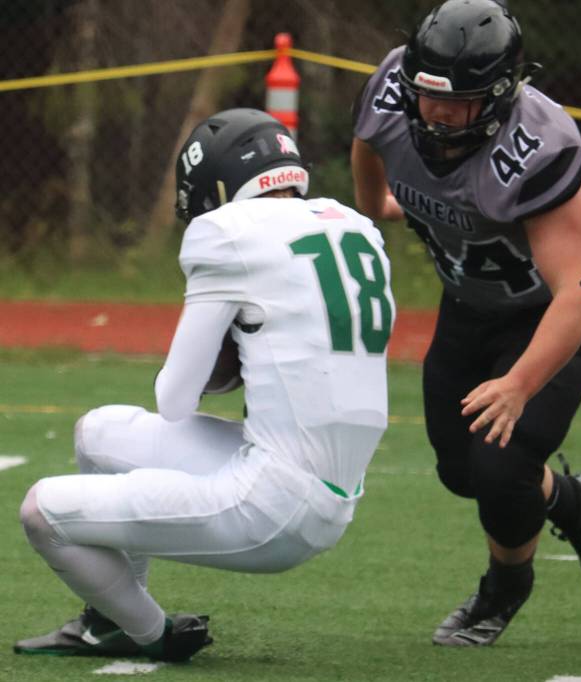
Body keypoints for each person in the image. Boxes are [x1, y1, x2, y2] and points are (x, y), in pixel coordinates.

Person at [14, 108, 394, 662]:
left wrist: (225, 343)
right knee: (97, 433)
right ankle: (108, 618)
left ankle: (151, 633)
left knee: (41, 511)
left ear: (220, 186)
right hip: (326, 490)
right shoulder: (355, 226)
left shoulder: (227, 231)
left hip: (271, 506)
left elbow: (174, 400)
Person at [350, 0, 581, 647]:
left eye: (457, 102)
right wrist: (373, 207)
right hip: (468, 304)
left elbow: (578, 290)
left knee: (501, 465)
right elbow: (367, 142)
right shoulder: (393, 88)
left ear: (499, 96)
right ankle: (574, 501)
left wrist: (520, 384)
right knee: (460, 470)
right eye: (427, 95)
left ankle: (502, 590)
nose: (435, 113)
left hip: (552, 313)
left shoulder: (539, 144)